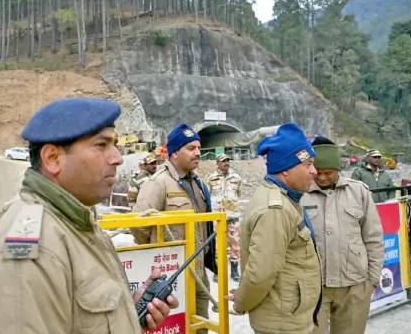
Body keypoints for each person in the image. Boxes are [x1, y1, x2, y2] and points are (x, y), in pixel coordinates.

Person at [0, 98, 178, 333]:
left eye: (114, 145)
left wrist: (128, 315)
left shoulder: (73, 222)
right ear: (53, 159)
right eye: (102, 145)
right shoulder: (26, 259)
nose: (117, 158)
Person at [230, 123, 322, 334]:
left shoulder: (287, 199)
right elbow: (260, 273)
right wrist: (241, 303)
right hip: (283, 324)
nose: (314, 171)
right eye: (308, 164)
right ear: (286, 168)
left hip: (288, 316)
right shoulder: (276, 209)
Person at [131, 123, 216, 334]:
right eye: (191, 148)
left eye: (198, 147)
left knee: (199, 328)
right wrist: (160, 257)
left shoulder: (199, 184)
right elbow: (139, 227)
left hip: (198, 275)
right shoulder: (158, 184)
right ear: (175, 152)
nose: (198, 152)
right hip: (171, 277)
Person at [301, 136, 384, 334]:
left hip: (354, 286)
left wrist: (372, 280)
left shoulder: (359, 192)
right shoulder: (300, 194)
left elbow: (373, 238)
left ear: (338, 169)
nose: (322, 178)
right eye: (317, 173)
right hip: (313, 287)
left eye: (328, 173)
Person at [206, 153, 242, 283]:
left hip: (232, 216)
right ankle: (218, 271)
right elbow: (207, 195)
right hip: (217, 216)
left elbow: (238, 193)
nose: (226, 163)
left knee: (235, 244)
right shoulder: (211, 177)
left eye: (227, 161)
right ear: (217, 163)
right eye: (223, 161)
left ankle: (234, 271)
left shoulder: (236, 177)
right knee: (216, 244)